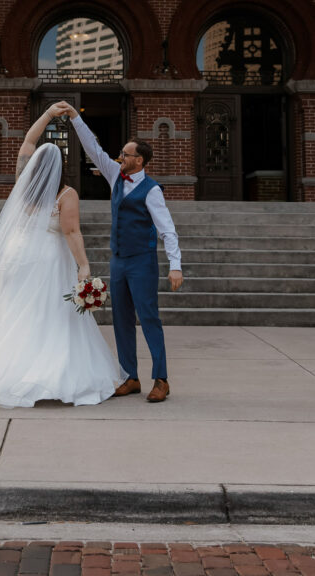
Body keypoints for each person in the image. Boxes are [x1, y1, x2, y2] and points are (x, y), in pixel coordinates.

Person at [0, 105, 125, 408]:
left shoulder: (23, 182)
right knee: (49, 314)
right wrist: (83, 266)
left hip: (16, 255)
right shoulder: (66, 194)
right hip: (47, 258)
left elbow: (27, 143)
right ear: (61, 167)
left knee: (17, 313)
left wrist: (46, 115)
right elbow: (71, 233)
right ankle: (49, 375)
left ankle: (10, 372)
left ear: (34, 165)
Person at [53, 102, 182, 404]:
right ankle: (130, 377)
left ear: (139, 160)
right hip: (118, 261)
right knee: (122, 319)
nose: (119, 157)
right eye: (121, 153)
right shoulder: (115, 176)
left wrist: (175, 266)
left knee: (149, 318)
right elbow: (93, 148)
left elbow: (168, 230)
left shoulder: (151, 190)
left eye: (125, 154)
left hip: (142, 261)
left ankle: (161, 379)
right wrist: (75, 117)